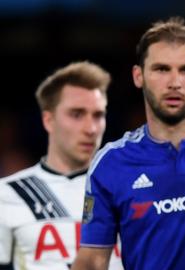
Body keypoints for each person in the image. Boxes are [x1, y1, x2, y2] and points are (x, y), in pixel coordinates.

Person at [72, 18, 185, 270]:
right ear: (138, 76)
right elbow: (93, 261)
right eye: (161, 69)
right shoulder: (112, 163)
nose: (174, 82)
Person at [0, 62, 122, 269]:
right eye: (77, 114)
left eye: (98, 115)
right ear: (48, 120)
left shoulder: (127, 190)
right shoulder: (7, 194)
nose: (91, 128)